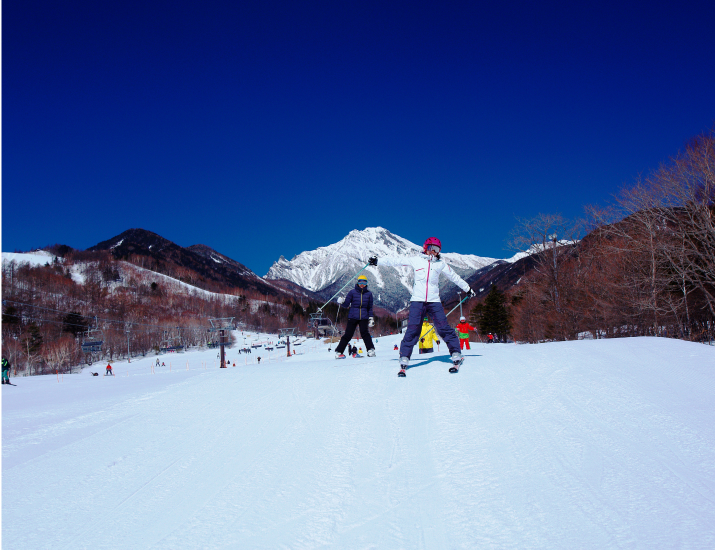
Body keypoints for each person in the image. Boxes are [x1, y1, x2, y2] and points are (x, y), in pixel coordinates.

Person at [369, 237, 474, 368]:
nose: (434, 252)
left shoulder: (440, 264)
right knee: (413, 329)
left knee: (443, 327)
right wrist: (378, 261)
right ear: (426, 248)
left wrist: (467, 288)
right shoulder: (416, 260)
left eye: (437, 250)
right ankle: (405, 356)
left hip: (434, 301)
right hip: (417, 301)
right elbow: (396, 261)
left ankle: (456, 353)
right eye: (432, 248)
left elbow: (454, 277)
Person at [334, 275, 376, 359]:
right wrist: (342, 302)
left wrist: (371, 318)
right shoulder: (352, 292)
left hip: (364, 317)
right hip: (353, 316)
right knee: (348, 335)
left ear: (366, 283)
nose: (362, 284)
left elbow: (369, 307)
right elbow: (346, 305)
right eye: (360, 282)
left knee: (365, 334)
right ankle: (339, 352)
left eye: (364, 282)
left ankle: (370, 350)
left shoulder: (369, 294)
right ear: (357, 282)